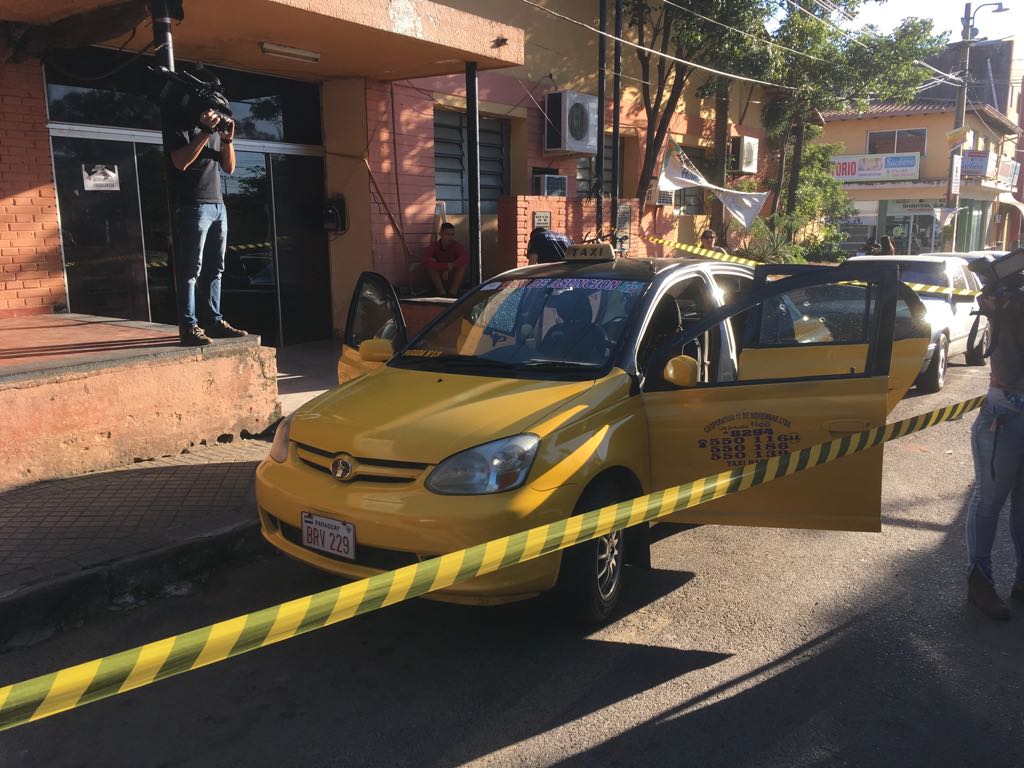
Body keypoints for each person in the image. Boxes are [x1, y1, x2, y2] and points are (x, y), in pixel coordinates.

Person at [163, 76, 247, 346]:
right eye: (212, 110)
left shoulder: (214, 132)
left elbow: (230, 168)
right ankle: (189, 326)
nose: (215, 116)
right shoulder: (181, 125)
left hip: (217, 205)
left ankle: (214, 320)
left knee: (216, 269)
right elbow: (181, 162)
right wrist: (205, 133)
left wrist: (226, 140)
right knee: (190, 270)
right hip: (192, 205)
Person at [965, 273, 1024, 620]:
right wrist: (1000, 315)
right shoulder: (1009, 313)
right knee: (989, 502)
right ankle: (979, 583)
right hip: (1004, 418)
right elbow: (1006, 372)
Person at [422, 222, 468, 297]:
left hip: (451, 276)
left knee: (462, 266)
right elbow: (425, 260)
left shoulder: (456, 245)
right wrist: (445, 267)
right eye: (447, 234)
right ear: (441, 234)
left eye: (452, 234)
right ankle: (441, 292)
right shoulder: (434, 246)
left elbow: (464, 258)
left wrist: (452, 266)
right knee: (431, 262)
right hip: (440, 276)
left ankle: (453, 292)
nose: (450, 237)